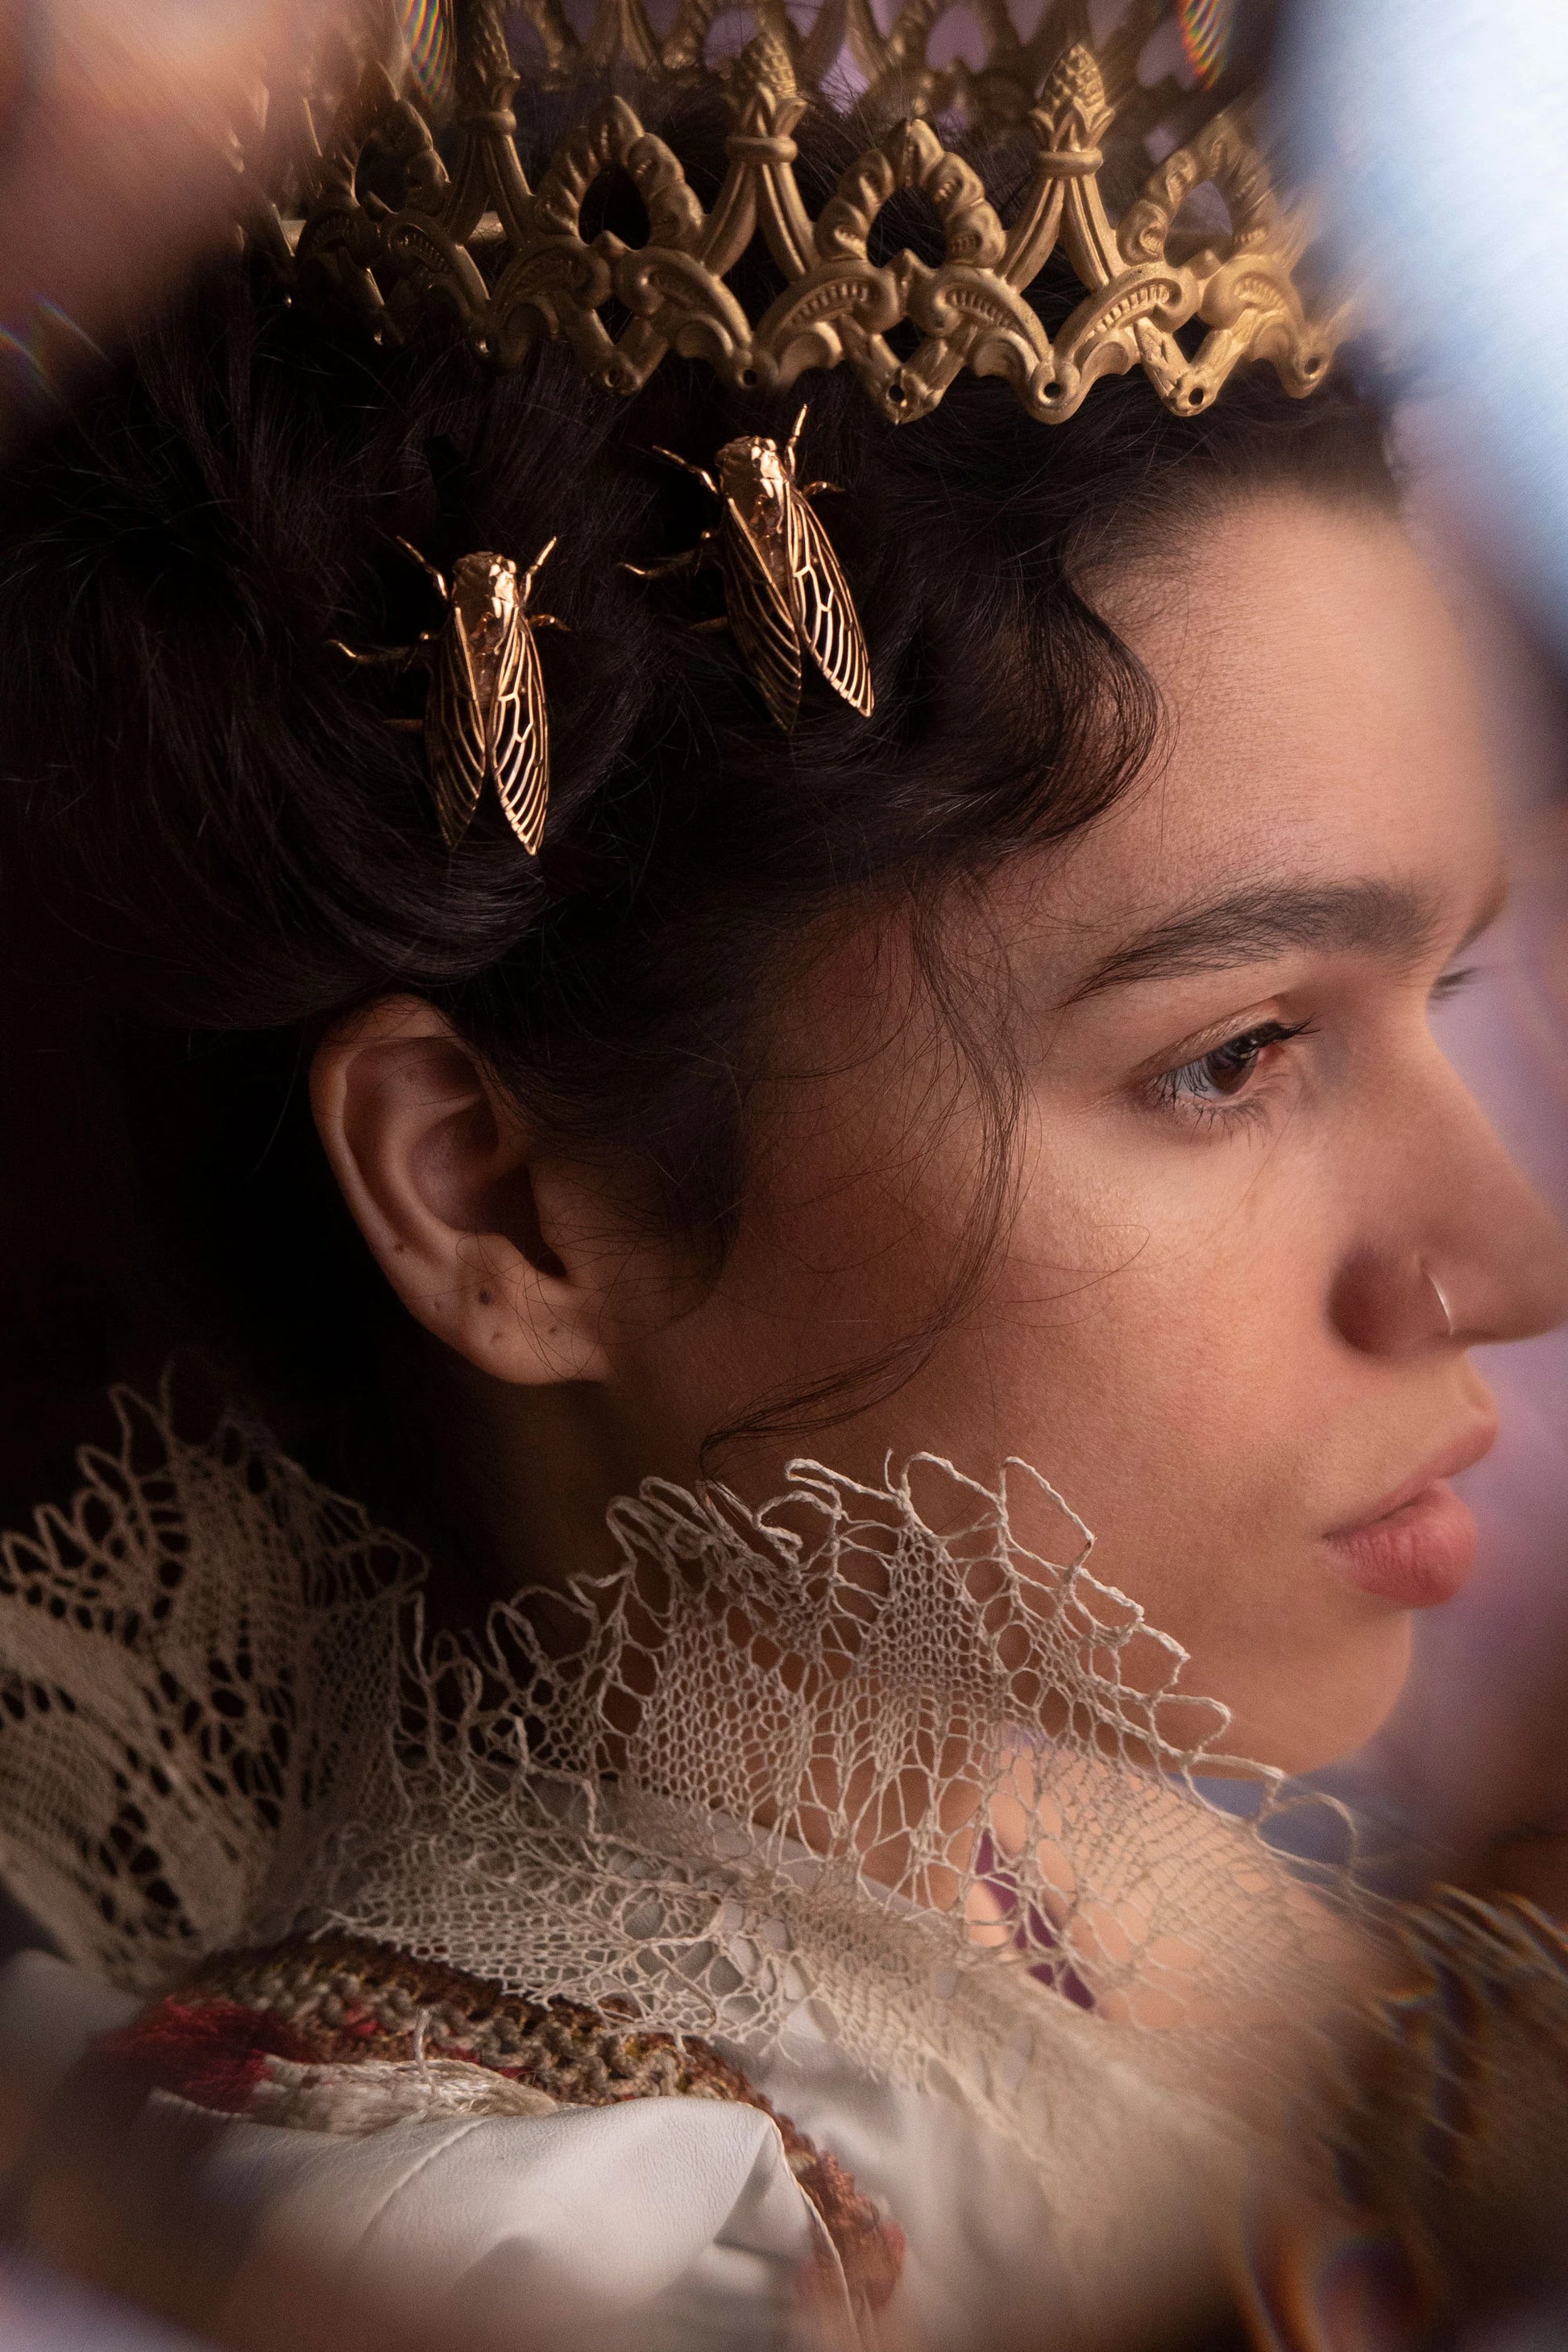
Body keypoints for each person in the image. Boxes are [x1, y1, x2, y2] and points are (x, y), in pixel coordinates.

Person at [0, 2, 1564, 2345]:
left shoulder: (1169, 1962)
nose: (1501, 1261)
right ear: (498, 1201)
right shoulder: (545, 2241)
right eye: (1230, 1056)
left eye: (1441, 998)